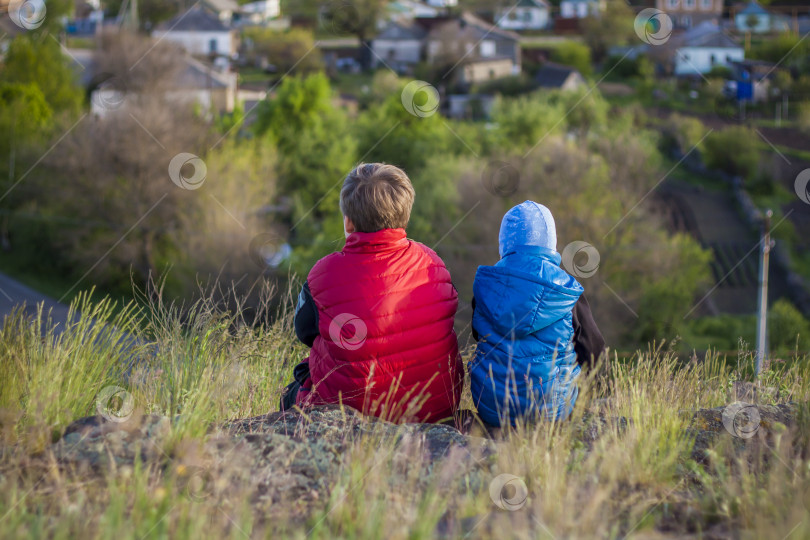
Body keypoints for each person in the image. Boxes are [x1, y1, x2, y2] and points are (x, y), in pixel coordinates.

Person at [279, 163, 463, 423]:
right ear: (405, 214)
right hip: (436, 409)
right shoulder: (432, 262)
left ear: (348, 221)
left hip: (351, 412)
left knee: (291, 393)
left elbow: (305, 332)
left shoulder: (324, 274)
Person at [469, 201, 605, 427]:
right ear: (550, 242)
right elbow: (595, 351)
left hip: (492, 409)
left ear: (504, 242)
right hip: (555, 412)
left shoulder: (484, 288)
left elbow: (477, 336)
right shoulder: (566, 292)